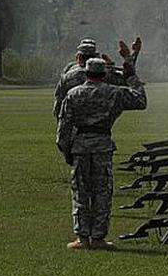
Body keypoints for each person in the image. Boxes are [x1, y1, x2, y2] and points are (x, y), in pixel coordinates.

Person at [56, 57, 147, 250]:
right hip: (102, 146)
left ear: (87, 73)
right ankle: (98, 237)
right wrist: (131, 77)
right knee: (102, 193)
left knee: (81, 193)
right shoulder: (113, 93)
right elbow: (140, 100)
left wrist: (67, 151)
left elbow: (63, 130)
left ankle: (82, 237)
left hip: (80, 147)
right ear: (103, 74)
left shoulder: (73, 94)